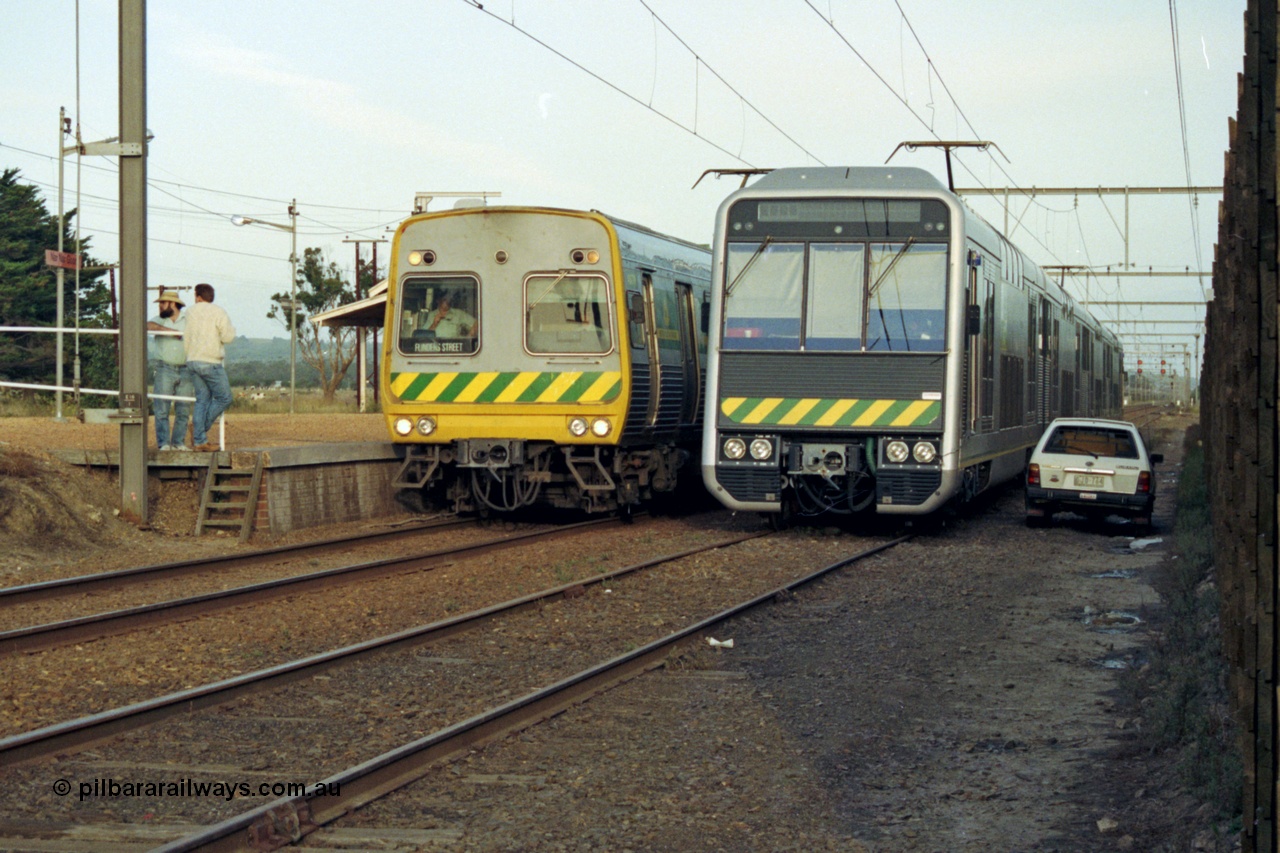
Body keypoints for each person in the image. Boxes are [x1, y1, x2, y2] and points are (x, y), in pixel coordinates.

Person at [184, 282, 236, 452]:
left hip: (192, 360)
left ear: (198, 297)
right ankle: (199, 432)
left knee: (202, 399)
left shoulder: (189, 312)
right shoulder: (218, 312)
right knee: (224, 397)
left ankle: (200, 440)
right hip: (210, 361)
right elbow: (228, 337)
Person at [146, 290, 193, 450]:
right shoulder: (159, 320)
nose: (160, 306)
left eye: (162, 303)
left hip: (186, 368)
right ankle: (164, 444)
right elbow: (148, 326)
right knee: (161, 408)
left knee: (183, 409)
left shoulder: (189, 320)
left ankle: (178, 443)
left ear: (172, 304)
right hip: (165, 368)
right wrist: (173, 333)